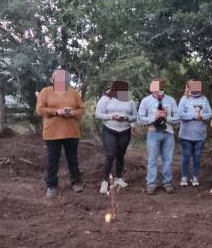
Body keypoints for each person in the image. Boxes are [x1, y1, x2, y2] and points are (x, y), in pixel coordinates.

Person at [35, 68, 86, 197]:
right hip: (52, 133)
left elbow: (81, 109)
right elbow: (40, 109)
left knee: (72, 159)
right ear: (52, 79)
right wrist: (56, 112)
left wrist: (72, 112)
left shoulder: (73, 93)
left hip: (71, 132)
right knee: (53, 160)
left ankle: (76, 182)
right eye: (57, 78)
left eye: (63, 78)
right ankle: (52, 185)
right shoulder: (45, 92)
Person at [94, 80, 138, 195]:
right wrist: (112, 116)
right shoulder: (106, 99)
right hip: (110, 130)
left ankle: (119, 178)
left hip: (125, 131)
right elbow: (98, 114)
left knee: (120, 155)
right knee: (110, 155)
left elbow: (135, 116)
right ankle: (105, 180)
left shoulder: (129, 100)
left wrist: (127, 117)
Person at [138, 79, 179, 194]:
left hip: (168, 133)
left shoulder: (171, 100)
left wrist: (167, 118)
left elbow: (178, 117)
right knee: (152, 159)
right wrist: (153, 118)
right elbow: (140, 118)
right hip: (153, 133)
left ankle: (167, 183)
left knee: (168, 159)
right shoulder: (145, 101)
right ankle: (151, 184)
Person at [177, 80, 212, 187]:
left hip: (200, 134)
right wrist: (193, 116)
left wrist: (202, 117)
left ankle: (195, 176)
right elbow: (179, 114)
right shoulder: (184, 99)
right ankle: (184, 177)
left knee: (197, 157)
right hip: (186, 134)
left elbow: (210, 113)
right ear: (188, 87)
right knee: (186, 156)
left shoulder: (204, 99)